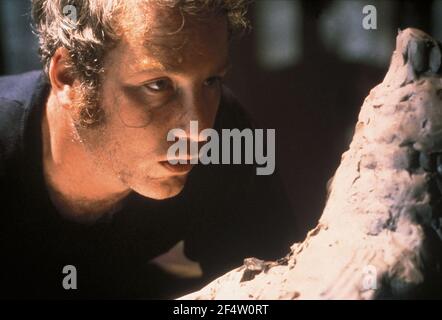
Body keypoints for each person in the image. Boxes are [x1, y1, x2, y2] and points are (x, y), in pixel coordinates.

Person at [0, 0, 297, 299]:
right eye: (158, 85)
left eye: (211, 81)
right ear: (69, 77)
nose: (199, 129)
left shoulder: (230, 144)